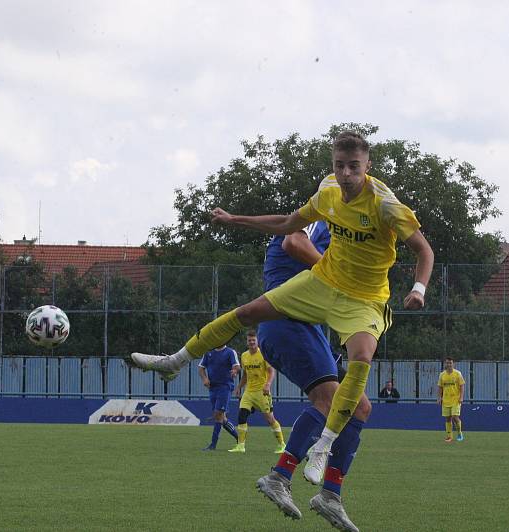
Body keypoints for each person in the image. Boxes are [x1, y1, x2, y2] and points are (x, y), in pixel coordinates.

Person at [129, 131, 434, 483]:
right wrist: (234, 219)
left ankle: (322, 448)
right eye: (339, 166)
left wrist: (419, 288)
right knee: (246, 313)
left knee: (361, 359)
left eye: (354, 167)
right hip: (323, 284)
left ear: (368, 166)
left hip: (363, 299)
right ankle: (175, 360)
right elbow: (289, 225)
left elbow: (424, 250)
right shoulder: (328, 192)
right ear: (332, 165)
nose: (346, 174)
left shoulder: (385, 205)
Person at [253, 220, 373, 532]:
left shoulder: (340, 234)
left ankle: (330, 495)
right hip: (285, 320)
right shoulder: (317, 215)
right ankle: (279, 477)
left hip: (308, 327)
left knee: (358, 406)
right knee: (329, 399)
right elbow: (292, 242)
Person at [228, 330, 286, 454]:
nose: (251, 342)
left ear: (257, 341)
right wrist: (239, 387)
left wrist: (268, 384)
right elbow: (245, 374)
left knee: (270, 419)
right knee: (242, 415)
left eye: (253, 340)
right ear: (247, 342)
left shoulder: (263, 355)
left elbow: (271, 371)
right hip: (249, 392)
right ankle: (241, 446)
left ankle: (282, 444)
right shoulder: (244, 356)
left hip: (262, 392)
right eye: (249, 340)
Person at [197, 344, 240, 450]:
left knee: (218, 414)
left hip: (225, 386)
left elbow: (237, 366)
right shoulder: (208, 352)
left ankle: (213, 444)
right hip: (212, 388)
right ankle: (240, 438)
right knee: (221, 417)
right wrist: (204, 379)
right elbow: (201, 368)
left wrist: (234, 371)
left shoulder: (230, 352)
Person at [437, 357, 465, 443]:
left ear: (453, 364)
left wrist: (461, 397)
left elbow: (462, 386)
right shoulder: (442, 375)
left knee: (455, 417)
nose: (449, 364)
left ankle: (460, 433)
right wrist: (439, 398)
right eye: (447, 363)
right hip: (446, 400)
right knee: (448, 418)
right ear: (445, 364)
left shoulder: (457, 374)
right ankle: (449, 436)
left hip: (455, 400)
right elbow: (440, 387)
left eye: (450, 363)